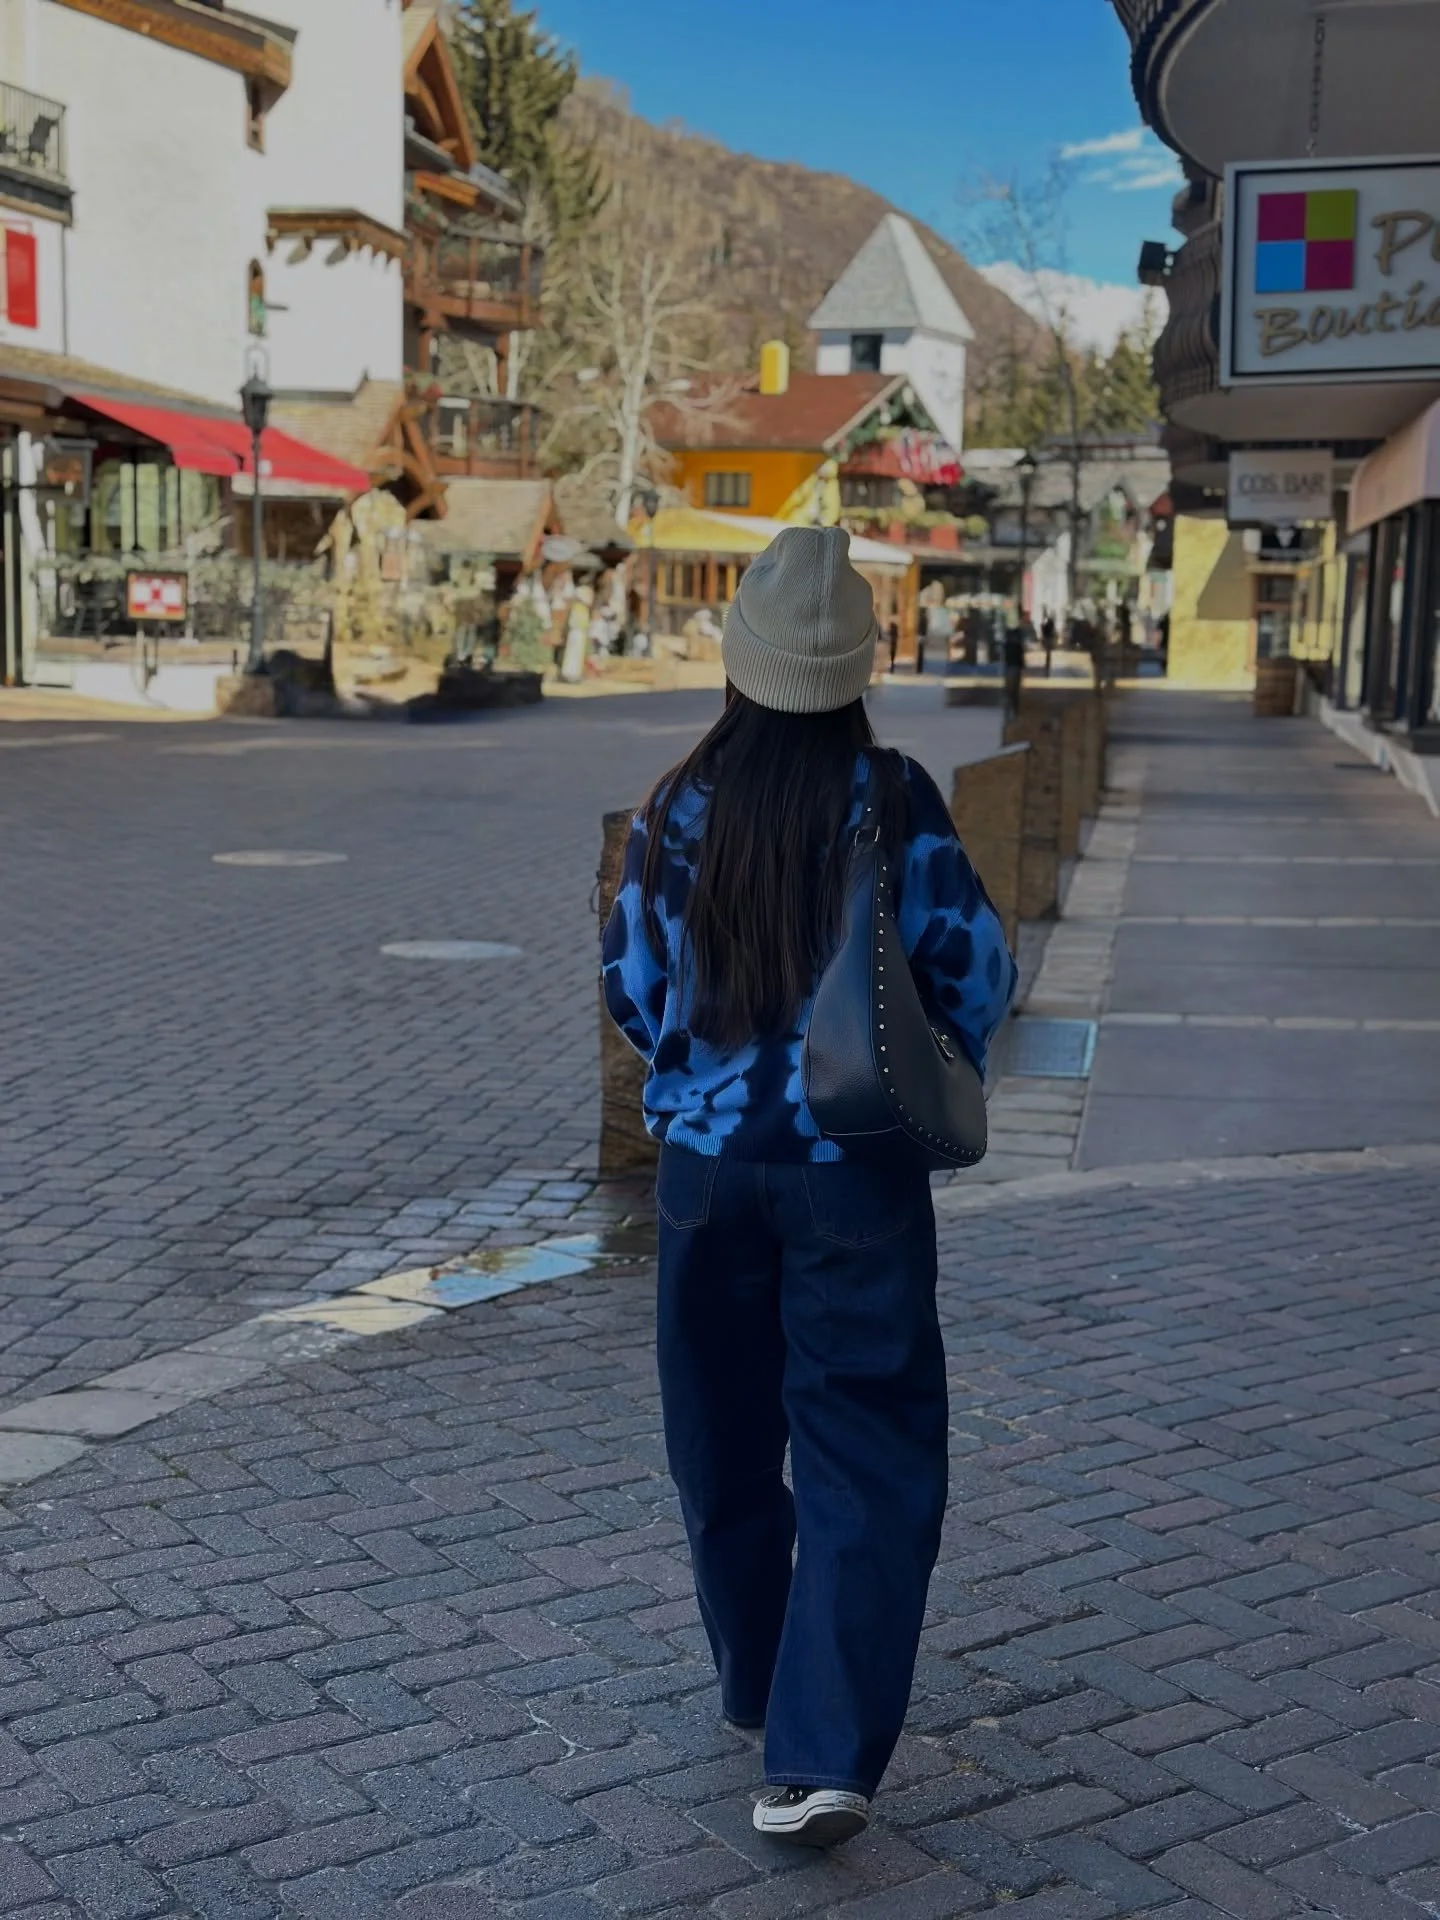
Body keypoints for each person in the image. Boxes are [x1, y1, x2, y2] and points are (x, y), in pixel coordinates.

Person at [603, 528, 1016, 1849]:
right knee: (867, 1448)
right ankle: (819, 1752)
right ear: (857, 672)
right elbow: (979, 978)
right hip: (857, 1181)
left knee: (721, 1442)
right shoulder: (892, 802)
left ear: (738, 666)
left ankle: (754, 1683)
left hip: (707, 1181)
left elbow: (633, 992)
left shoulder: (673, 810)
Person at [1002, 623, 1025, 717]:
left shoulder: (1007, 645)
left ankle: (1009, 710)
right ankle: (1015, 710)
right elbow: (1021, 658)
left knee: (1009, 691)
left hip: (1009, 667)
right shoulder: (1018, 645)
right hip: (1015, 668)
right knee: (1015, 691)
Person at [1041, 612, 1057, 678]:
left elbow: (1042, 629)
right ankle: (1048, 662)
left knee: (1048, 652)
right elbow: (1054, 633)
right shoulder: (1052, 625)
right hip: (1049, 639)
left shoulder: (1046, 625)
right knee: (1048, 653)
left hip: (1047, 639)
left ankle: (1047, 663)